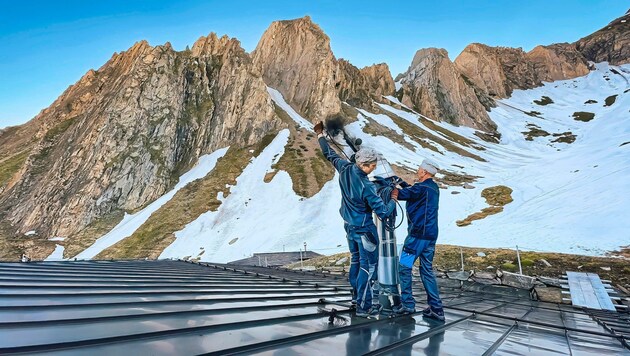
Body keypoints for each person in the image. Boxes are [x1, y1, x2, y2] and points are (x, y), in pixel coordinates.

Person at [314, 121, 397, 317]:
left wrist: (319, 135)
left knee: (356, 261)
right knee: (368, 267)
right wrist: (393, 198)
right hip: (365, 228)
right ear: (365, 165)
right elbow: (384, 212)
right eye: (373, 166)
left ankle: (355, 297)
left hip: (349, 226)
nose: (374, 168)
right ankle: (364, 306)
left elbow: (329, 154)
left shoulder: (344, 168)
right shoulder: (367, 186)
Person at [393, 159, 445, 321]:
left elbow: (401, 194)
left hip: (416, 237)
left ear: (425, 172)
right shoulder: (433, 187)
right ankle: (436, 308)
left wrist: (393, 189)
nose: (418, 170)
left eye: (419, 169)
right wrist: (401, 183)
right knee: (426, 270)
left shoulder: (420, 188)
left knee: (404, 267)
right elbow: (414, 192)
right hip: (430, 236)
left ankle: (408, 304)